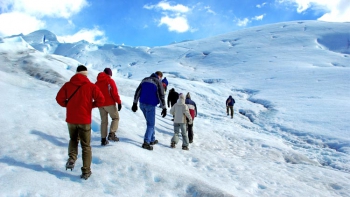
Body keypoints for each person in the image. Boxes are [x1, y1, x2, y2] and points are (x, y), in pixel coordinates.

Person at [56, 65, 105, 180]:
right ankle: (86, 172)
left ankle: (72, 158)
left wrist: (68, 105)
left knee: (73, 139)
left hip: (71, 119)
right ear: (86, 74)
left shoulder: (68, 85)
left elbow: (59, 99)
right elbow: (101, 100)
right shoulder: (91, 86)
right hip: (84, 119)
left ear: (77, 73)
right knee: (86, 146)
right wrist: (90, 106)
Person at [132, 71, 167, 150]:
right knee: (150, 124)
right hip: (150, 105)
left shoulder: (145, 79)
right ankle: (146, 142)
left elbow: (138, 91)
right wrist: (164, 108)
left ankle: (152, 139)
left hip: (142, 104)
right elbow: (161, 95)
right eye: (161, 77)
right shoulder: (158, 82)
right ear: (159, 76)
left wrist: (134, 103)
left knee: (150, 122)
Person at [95, 68, 122, 146]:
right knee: (115, 118)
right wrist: (119, 102)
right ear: (109, 74)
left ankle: (103, 140)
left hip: (100, 105)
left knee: (104, 121)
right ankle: (112, 134)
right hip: (109, 103)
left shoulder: (97, 82)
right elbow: (114, 93)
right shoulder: (110, 81)